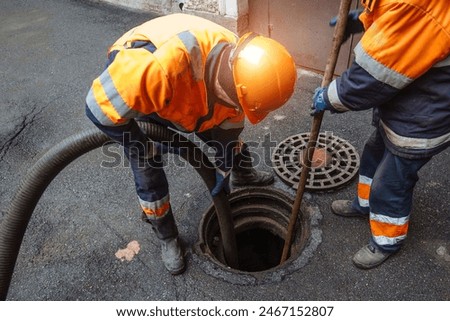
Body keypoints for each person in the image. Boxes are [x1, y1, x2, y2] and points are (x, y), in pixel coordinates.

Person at [85, 13, 297, 274]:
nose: (243, 112)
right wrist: (139, 144)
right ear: (234, 89)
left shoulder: (247, 70)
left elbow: (228, 132)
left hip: (191, 89)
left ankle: (244, 175)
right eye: (244, 106)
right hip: (145, 79)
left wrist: (224, 168)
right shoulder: (154, 70)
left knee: (227, 137)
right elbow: (97, 109)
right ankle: (167, 236)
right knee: (147, 164)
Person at [312, 0, 450, 269]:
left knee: (391, 181)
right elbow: (391, 21)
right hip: (408, 96)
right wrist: (363, 19)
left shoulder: (415, 4)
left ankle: (387, 239)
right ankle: (364, 204)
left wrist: (330, 97)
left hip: (425, 111)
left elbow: (372, 77)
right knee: (374, 152)